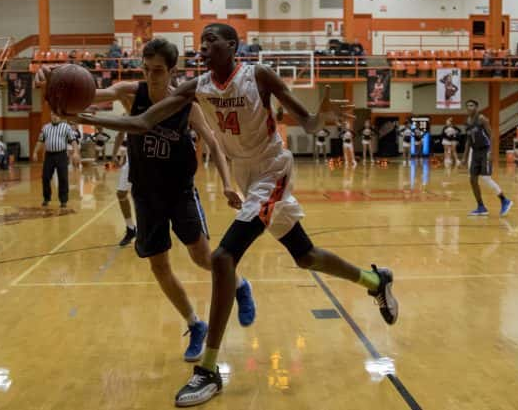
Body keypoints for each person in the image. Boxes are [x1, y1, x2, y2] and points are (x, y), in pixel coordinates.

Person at [41, 23, 399, 406]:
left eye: (213, 40)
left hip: (271, 169)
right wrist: (86, 119)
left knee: (223, 257)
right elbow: (144, 122)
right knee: (305, 255)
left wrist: (319, 116)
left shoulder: (258, 75)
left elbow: (309, 124)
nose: (205, 45)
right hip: (247, 175)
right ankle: (375, 280)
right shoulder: (197, 87)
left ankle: (208, 370)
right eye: (201, 41)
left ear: (233, 45)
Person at [76, 37, 257, 363]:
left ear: (172, 71)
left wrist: (229, 184)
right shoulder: (132, 92)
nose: (150, 76)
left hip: (179, 191)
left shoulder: (185, 103)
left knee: (203, 258)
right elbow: (88, 94)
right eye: (146, 69)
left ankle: (241, 285)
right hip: (145, 194)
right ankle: (194, 323)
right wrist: (56, 88)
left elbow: (214, 145)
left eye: (157, 70)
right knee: (159, 265)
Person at [460, 99, 513, 216]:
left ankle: (504, 200)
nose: (469, 107)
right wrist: (464, 157)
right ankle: (481, 207)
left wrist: (492, 152)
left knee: (485, 178)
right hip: (475, 152)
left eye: (472, 105)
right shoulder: (467, 122)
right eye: (467, 105)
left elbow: (492, 135)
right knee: (472, 180)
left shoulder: (482, 119)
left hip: (485, 150)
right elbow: (468, 141)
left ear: (477, 107)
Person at [32, 114, 80, 208]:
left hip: (61, 155)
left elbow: (73, 140)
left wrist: (75, 152)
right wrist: (35, 152)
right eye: (53, 115)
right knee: (45, 177)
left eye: (57, 115)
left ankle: (63, 200)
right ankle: (46, 198)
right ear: (50, 115)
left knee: (63, 178)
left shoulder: (66, 127)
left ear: (60, 117)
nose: (55, 117)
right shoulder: (45, 127)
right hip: (49, 155)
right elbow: (40, 141)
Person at [110, 132, 137, 246]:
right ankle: (130, 228)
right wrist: (114, 153)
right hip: (131, 161)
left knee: (144, 196)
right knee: (121, 193)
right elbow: (120, 134)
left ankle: (148, 229)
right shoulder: (127, 115)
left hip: (147, 161)